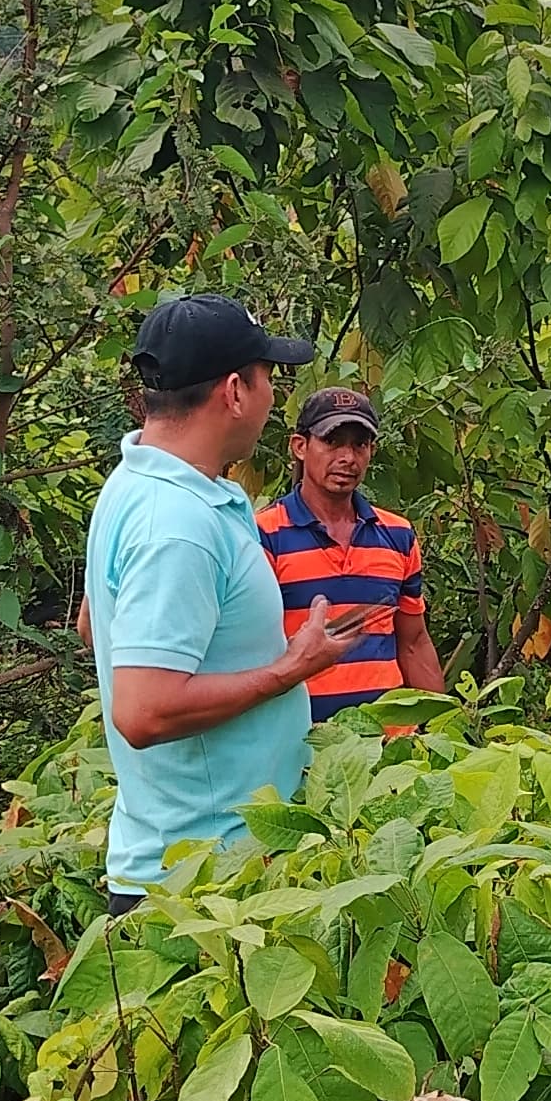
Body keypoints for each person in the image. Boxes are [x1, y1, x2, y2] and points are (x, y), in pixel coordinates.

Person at [84, 296, 353, 910]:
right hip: (200, 885)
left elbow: (94, 625)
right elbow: (143, 713)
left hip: (203, 860)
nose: (273, 398)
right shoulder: (175, 523)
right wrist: (291, 669)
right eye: (268, 378)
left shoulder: (138, 485)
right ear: (234, 391)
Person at [259, 386, 446, 721]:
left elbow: (414, 642)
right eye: (332, 442)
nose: (347, 457)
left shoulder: (397, 535)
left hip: (390, 739)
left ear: (371, 450)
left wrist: (441, 731)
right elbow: (248, 650)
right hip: (304, 738)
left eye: (359, 444)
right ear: (300, 446)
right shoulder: (264, 534)